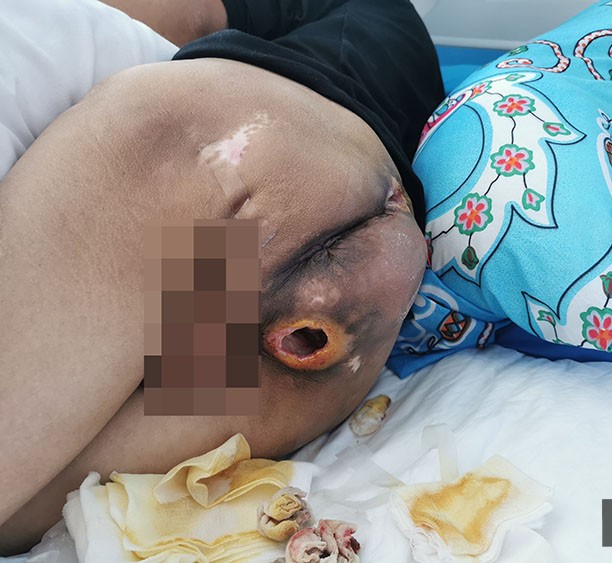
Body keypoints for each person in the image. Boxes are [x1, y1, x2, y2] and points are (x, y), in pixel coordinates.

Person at [0, 0, 444, 553]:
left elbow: (181, 15)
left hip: (242, 150)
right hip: (361, 309)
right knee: (16, 510)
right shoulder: (388, 34)